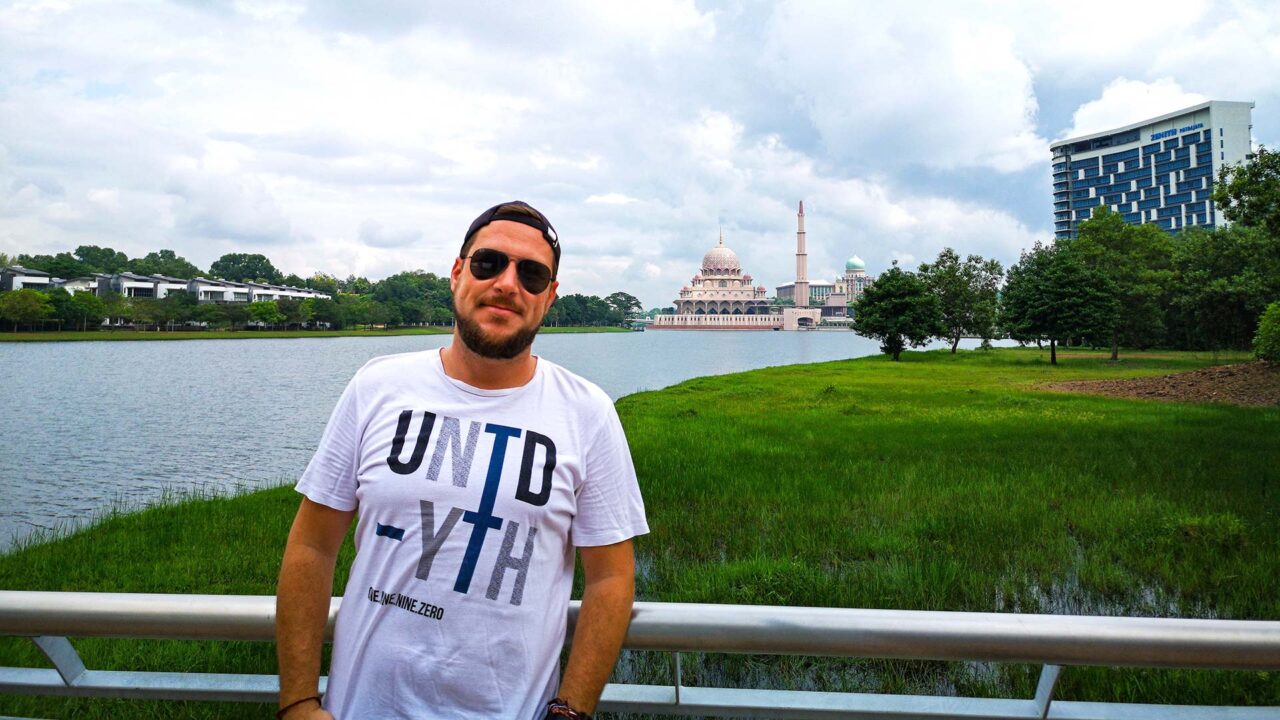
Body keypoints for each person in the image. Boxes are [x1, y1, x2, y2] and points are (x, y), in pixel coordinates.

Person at [275, 201, 648, 720]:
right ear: (457, 272)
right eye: (488, 263)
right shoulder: (378, 385)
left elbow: (611, 578)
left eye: (532, 274)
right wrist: (296, 701)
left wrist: (571, 712)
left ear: (549, 298)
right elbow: (313, 545)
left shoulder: (588, 412)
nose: (507, 284)